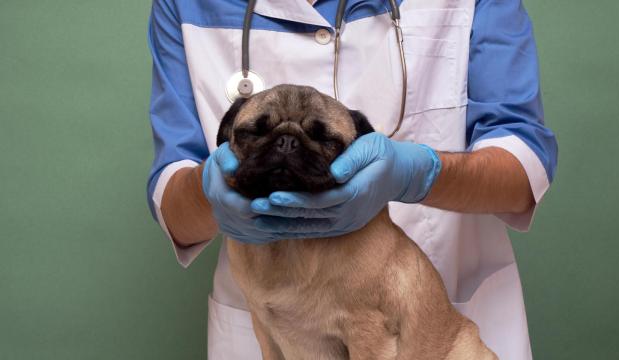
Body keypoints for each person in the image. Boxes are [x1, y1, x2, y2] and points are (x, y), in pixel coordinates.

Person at [146, 0, 558, 358]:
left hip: (442, 329)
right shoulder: (182, 3)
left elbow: (525, 165)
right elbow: (173, 193)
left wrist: (418, 174)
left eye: (318, 138)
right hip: (270, 321)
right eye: (261, 132)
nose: (288, 146)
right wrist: (208, 194)